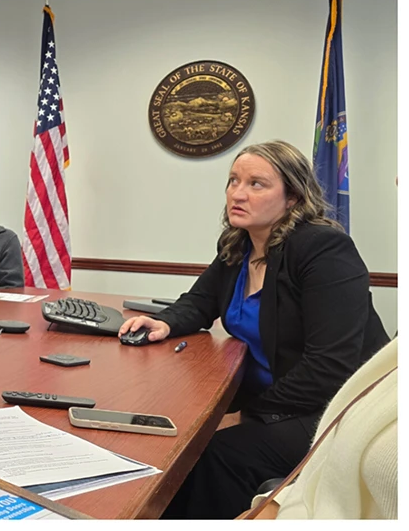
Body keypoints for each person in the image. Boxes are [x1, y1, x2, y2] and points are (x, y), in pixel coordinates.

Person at [118, 140, 388, 519]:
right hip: (270, 397)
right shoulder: (239, 244)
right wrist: (164, 321)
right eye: (233, 181)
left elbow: (330, 368)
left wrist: (245, 414)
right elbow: (200, 301)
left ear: (293, 197)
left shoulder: (323, 249)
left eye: (256, 184)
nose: (237, 194)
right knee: (169, 430)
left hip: (335, 410)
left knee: (213, 454)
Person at [247, 336, 397, 519]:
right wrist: (279, 503)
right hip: (309, 496)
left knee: (225, 453)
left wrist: (252, 409)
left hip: (313, 407)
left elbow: (325, 369)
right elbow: (340, 447)